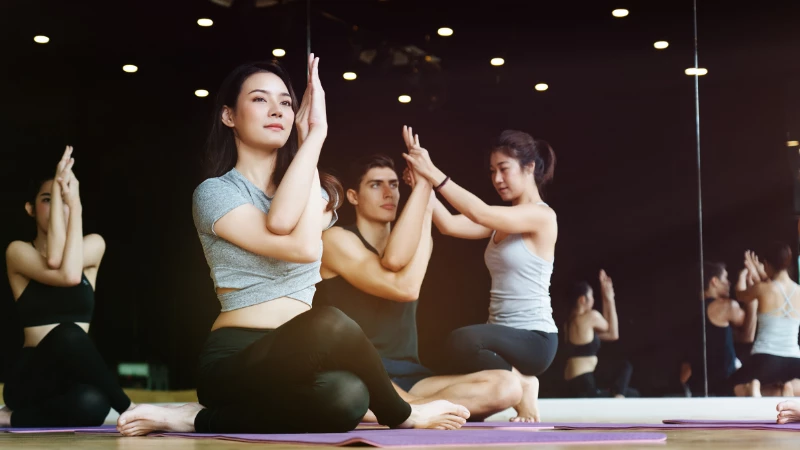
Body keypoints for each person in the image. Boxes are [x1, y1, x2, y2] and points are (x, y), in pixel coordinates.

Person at [116, 56, 469, 436]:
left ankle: (195, 418)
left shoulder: (316, 191)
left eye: (286, 102)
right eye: (259, 99)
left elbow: (284, 219)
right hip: (234, 359)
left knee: (347, 397)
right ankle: (403, 414)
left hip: (302, 357)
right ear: (228, 116)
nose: (277, 110)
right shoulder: (215, 193)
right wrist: (315, 136)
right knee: (331, 321)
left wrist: (308, 143)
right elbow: (297, 244)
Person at [317, 131, 523, 422]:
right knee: (349, 391)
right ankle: (407, 409)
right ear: (353, 196)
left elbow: (401, 258)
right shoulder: (335, 239)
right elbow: (405, 287)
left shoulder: (414, 242)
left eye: (394, 185)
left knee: (508, 386)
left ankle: (406, 409)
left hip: (409, 374)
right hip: (359, 370)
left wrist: (424, 189)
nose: (389, 193)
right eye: (375, 185)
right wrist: (425, 186)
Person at [402, 129, 558, 422]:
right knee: (463, 380)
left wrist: (433, 172)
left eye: (504, 169)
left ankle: (525, 383)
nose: (497, 179)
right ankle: (514, 385)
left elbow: (482, 213)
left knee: (462, 340)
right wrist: (422, 182)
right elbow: (448, 224)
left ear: (530, 168)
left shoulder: (541, 216)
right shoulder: (500, 220)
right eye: (492, 171)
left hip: (534, 340)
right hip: (499, 344)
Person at [1, 147, 133, 428]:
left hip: (74, 379)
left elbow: (66, 264)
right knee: (68, 333)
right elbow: (64, 271)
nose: (57, 207)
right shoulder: (18, 252)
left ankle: (9, 418)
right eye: (48, 199)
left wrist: (76, 205)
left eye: (63, 200)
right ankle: (130, 408)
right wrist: (68, 201)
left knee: (93, 404)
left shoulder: (94, 245)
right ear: (30, 208)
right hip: (32, 377)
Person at [733, 245, 800, 399]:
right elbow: (778, 286)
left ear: (767, 264)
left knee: (735, 388)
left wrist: (746, 273)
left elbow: (739, 294)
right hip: (794, 360)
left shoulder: (762, 289)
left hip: (764, 359)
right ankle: (786, 388)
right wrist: (763, 272)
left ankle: (755, 387)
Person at [681, 262, 757, 396]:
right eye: (725, 278)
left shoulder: (691, 313)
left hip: (699, 386)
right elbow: (748, 335)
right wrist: (751, 295)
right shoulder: (726, 306)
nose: (729, 283)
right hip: (725, 384)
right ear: (714, 281)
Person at [563, 271, 637, 398]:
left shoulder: (568, 324)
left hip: (572, 382)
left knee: (632, 393)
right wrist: (608, 298)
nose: (593, 300)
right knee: (626, 367)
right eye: (591, 296)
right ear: (582, 299)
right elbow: (613, 333)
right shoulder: (590, 317)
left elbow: (608, 335)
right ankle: (618, 400)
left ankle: (618, 397)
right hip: (585, 383)